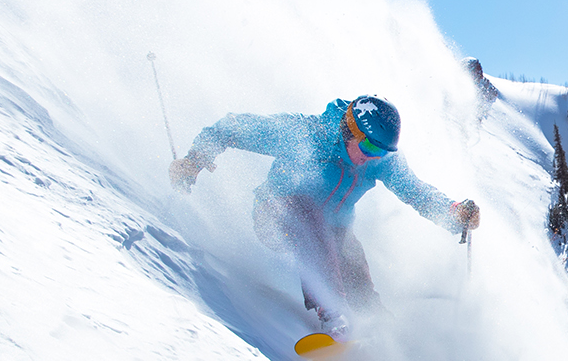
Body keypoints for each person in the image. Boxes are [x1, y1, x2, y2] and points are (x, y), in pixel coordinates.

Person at [169, 95, 479, 333]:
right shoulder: (306, 134)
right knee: (306, 213)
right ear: (350, 130)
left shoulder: (379, 160)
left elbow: (416, 191)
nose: (373, 158)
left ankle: (383, 338)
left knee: (358, 279)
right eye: (370, 148)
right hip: (277, 216)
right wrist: (194, 160)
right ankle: (333, 316)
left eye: (383, 152)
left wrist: (454, 213)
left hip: (331, 234)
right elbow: (233, 128)